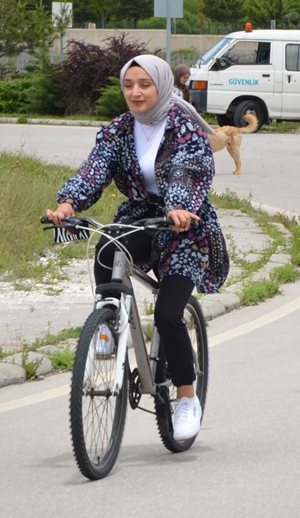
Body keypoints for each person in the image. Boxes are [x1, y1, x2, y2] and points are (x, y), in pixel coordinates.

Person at [44, 54, 228, 442]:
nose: (136, 92)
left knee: (167, 314)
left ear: (161, 85)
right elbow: (95, 168)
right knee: (108, 247)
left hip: (184, 226)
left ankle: (185, 397)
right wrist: (68, 203)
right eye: (129, 85)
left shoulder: (183, 127)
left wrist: (178, 205)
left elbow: (188, 168)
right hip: (141, 216)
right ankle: (109, 325)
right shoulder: (119, 130)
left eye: (144, 84)